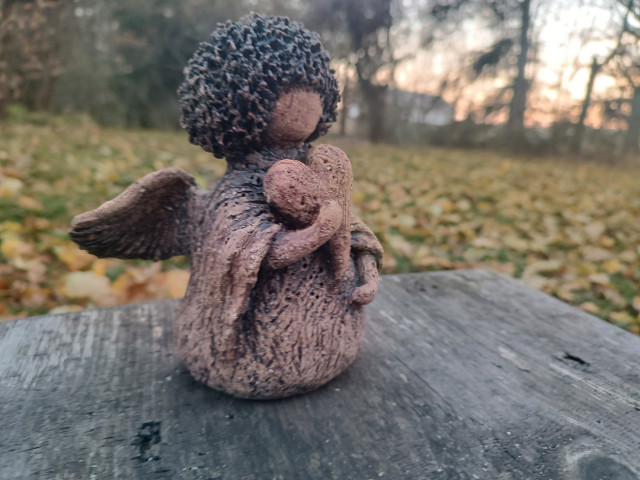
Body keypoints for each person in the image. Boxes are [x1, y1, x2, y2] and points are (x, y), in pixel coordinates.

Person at [70, 14, 382, 399]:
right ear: (238, 100)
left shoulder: (323, 169)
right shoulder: (237, 193)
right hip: (251, 349)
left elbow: (350, 227)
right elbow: (247, 248)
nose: (305, 103)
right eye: (285, 91)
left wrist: (365, 265)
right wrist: (317, 232)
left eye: (314, 88)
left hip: (335, 326)